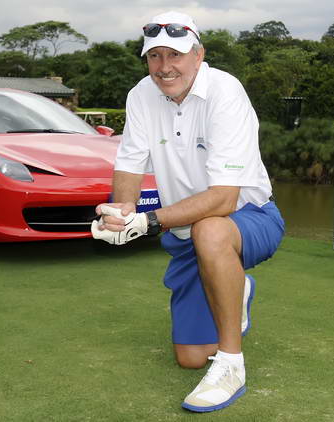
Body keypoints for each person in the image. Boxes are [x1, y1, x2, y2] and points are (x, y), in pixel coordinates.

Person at [91, 11, 284, 413]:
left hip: (251, 220)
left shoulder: (225, 91)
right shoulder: (141, 93)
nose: (165, 67)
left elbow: (224, 200)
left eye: (175, 55)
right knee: (191, 357)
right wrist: (121, 211)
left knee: (210, 230)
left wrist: (146, 222)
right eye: (155, 56)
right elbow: (128, 166)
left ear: (199, 55)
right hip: (186, 236)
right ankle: (235, 289)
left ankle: (232, 365)